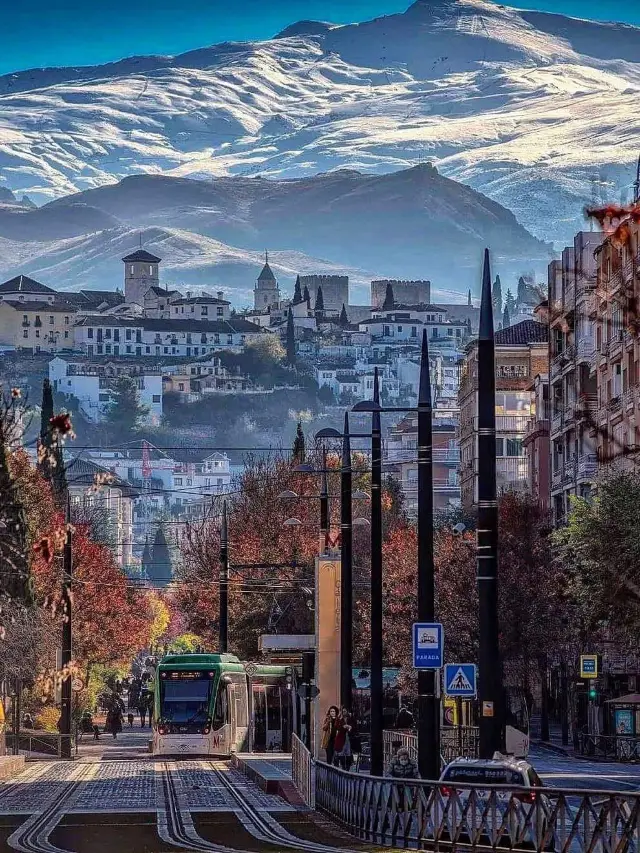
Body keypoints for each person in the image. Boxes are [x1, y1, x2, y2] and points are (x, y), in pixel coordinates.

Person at [334, 707, 357, 771]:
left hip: (349, 738)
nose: (343, 713)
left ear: (347, 712)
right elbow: (336, 727)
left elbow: (355, 726)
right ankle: (343, 768)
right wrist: (343, 726)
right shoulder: (340, 719)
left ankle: (347, 769)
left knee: (348, 754)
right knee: (341, 753)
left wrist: (350, 727)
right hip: (341, 738)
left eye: (345, 711)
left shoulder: (351, 718)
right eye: (343, 711)